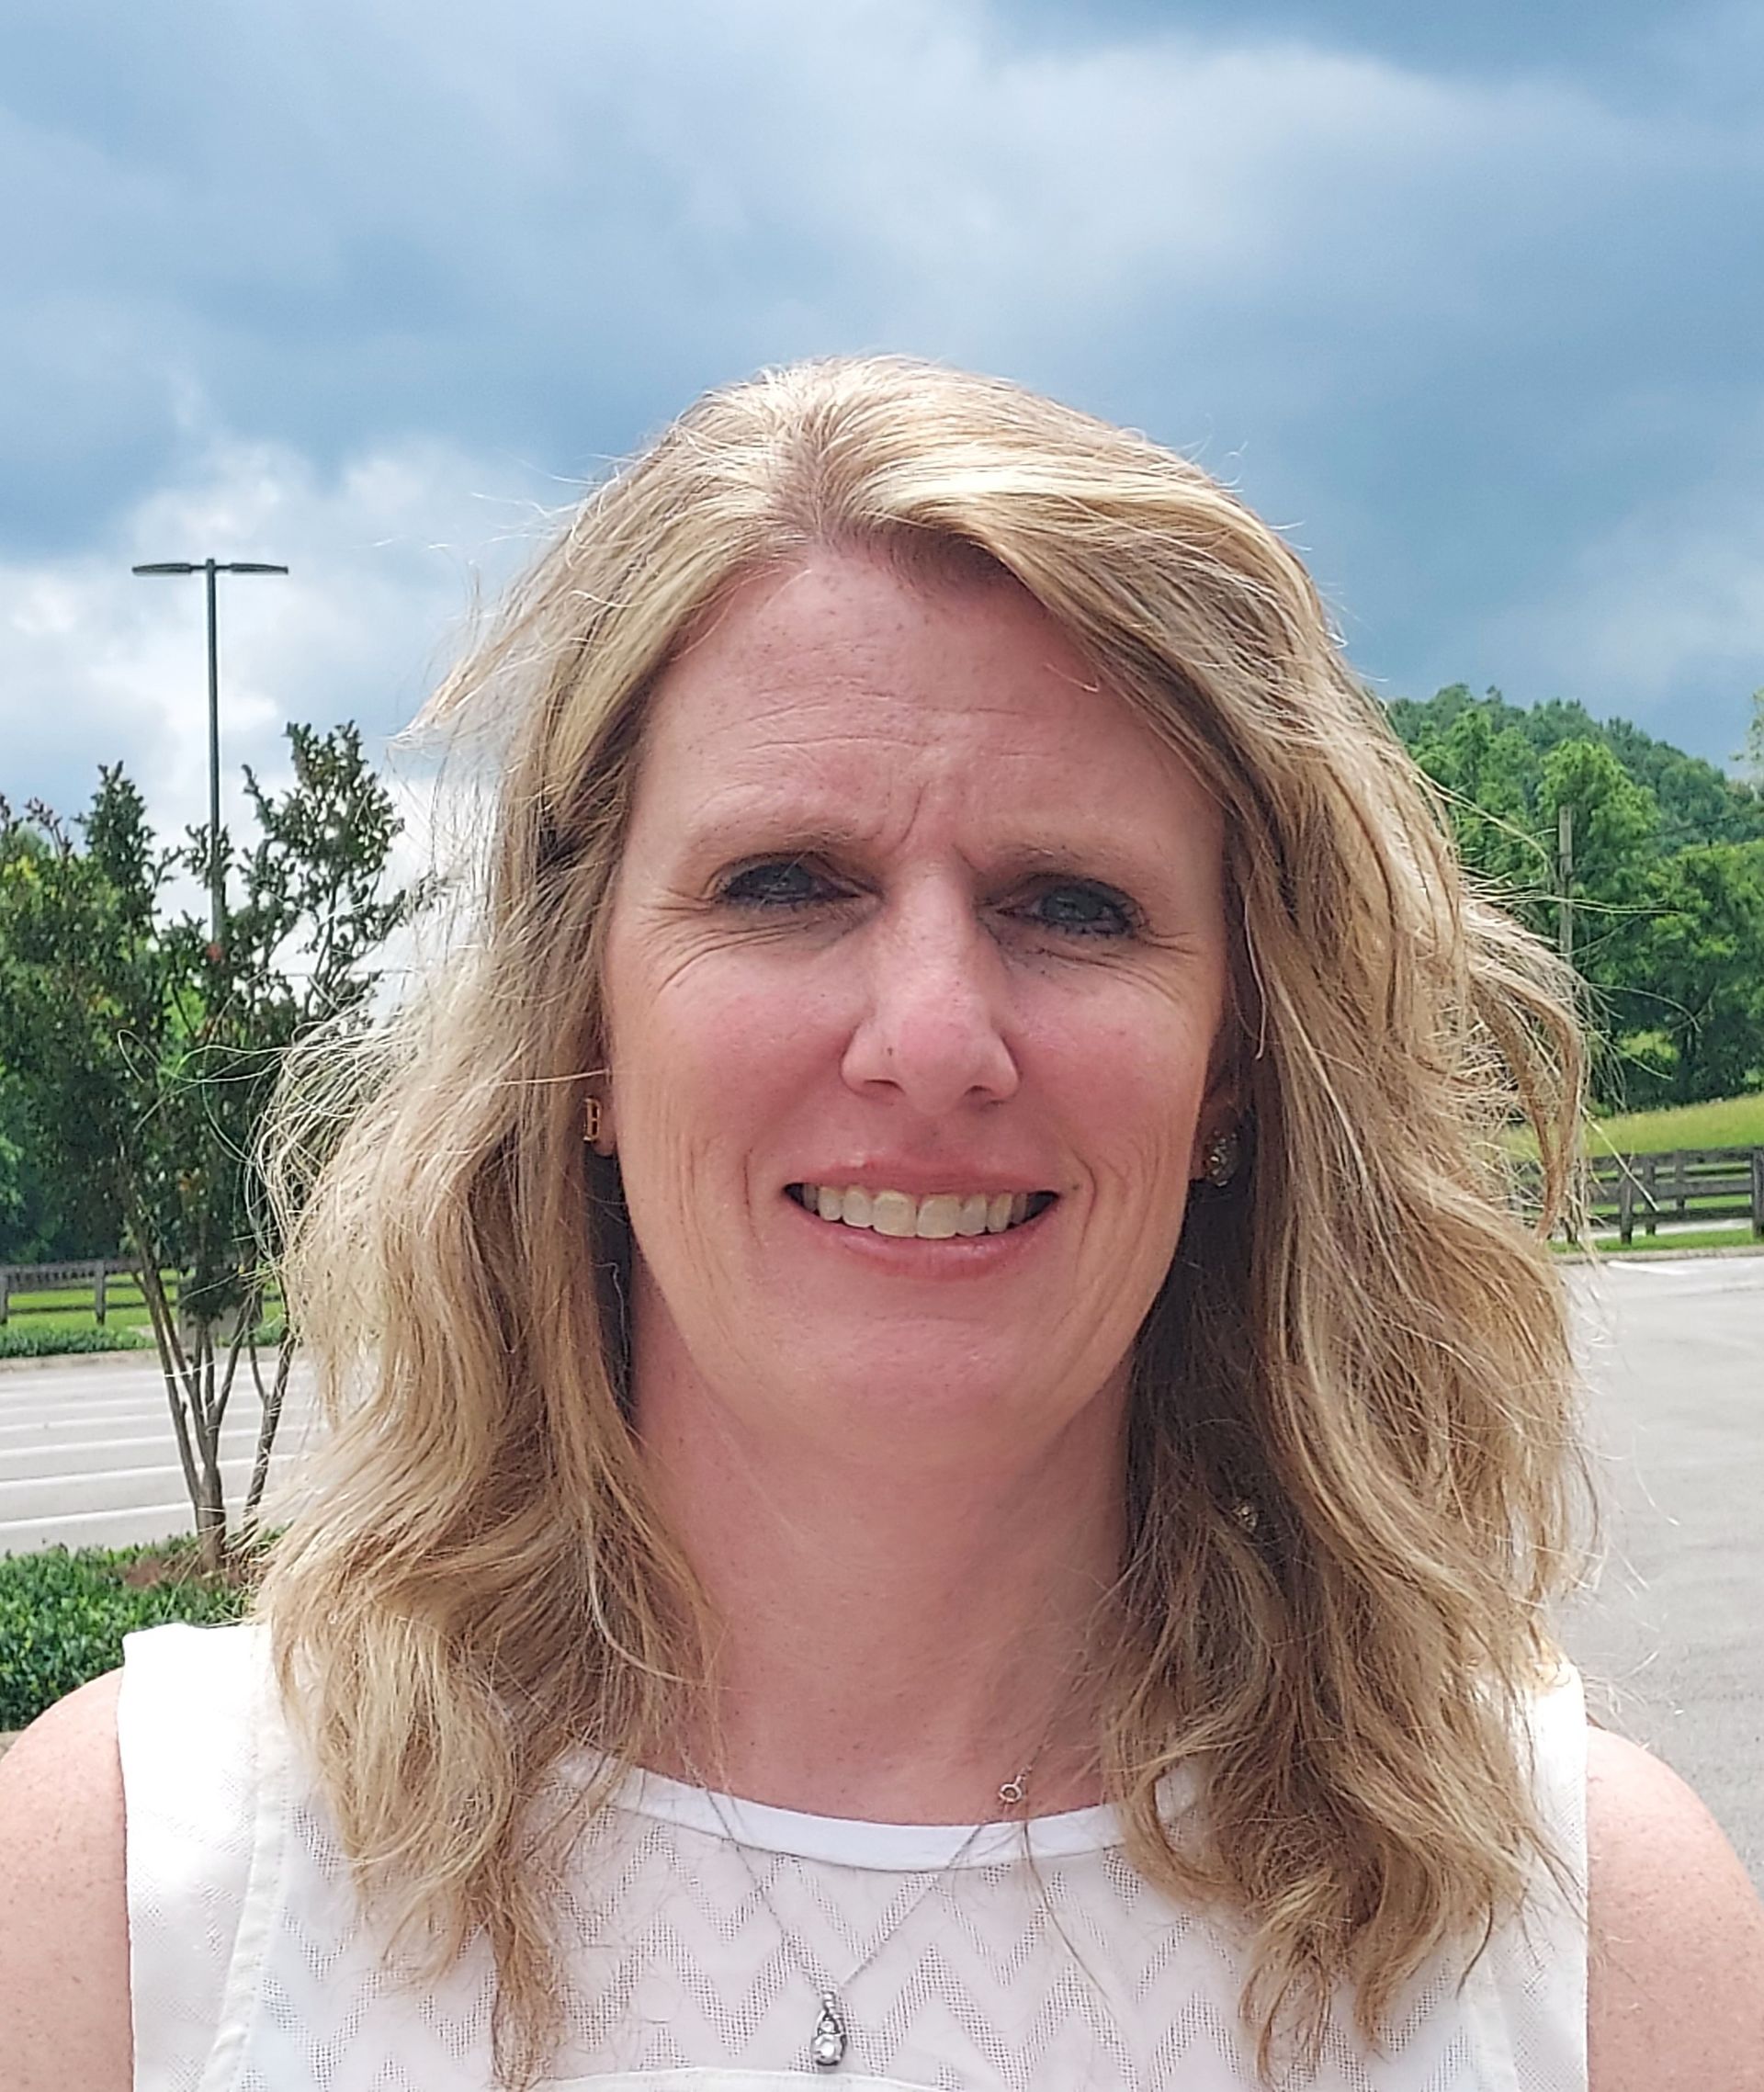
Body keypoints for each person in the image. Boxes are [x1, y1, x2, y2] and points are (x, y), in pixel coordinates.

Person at [2, 356, 1760, 2092]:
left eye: (1071, 904)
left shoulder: (1584, 1957)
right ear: (585, 1029)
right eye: (786, 884)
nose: (931, 1037)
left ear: (1231, 1066)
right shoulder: (140, 1903)